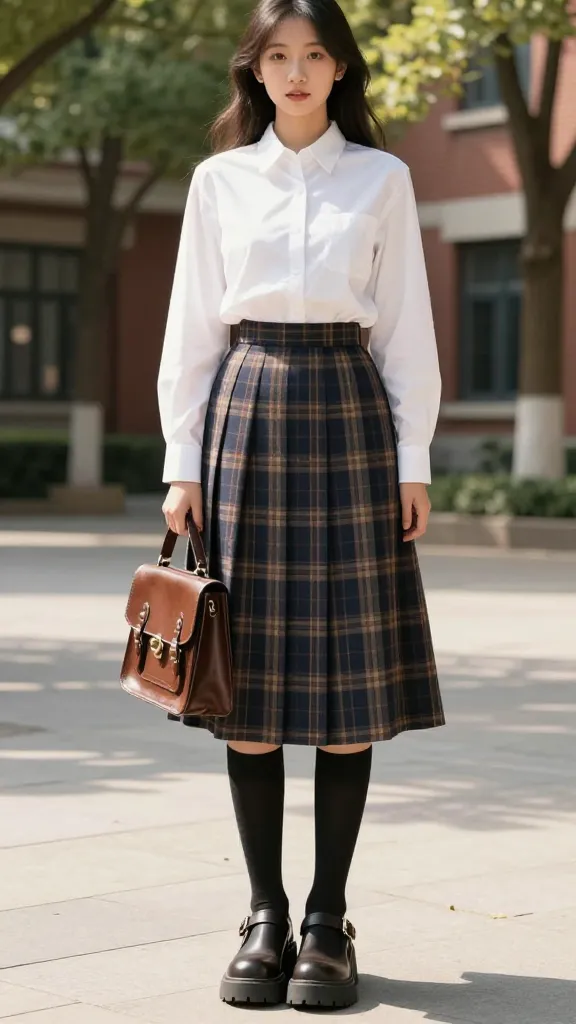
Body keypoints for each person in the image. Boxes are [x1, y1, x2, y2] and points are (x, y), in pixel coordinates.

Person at [157, 0, 445, 1009]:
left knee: (349, 683)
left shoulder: (385, 178)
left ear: (338, 69)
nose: (294, 72)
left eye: (313, 55)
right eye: (277, 56)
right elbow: (193, 326)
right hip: (242, 410)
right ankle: (265, 913)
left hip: (351, 413)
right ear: (256, 70)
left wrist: (414, 461)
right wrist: (179, 464)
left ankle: (328, 918)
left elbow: (406, 327)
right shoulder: (217, 182)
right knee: (244, 682)